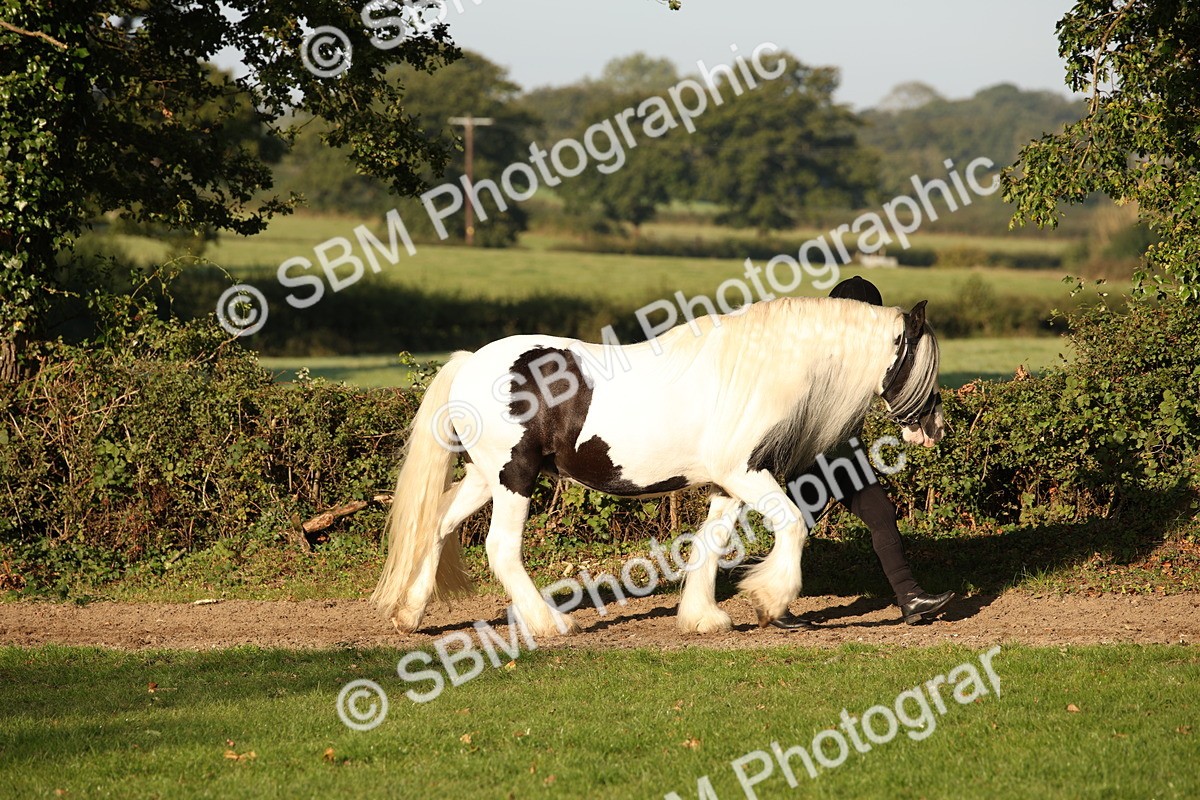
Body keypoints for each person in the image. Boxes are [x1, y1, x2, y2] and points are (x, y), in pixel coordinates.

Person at [771, 276, 954, 628]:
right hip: (817, 459)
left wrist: (923, 421)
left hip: (841, 459)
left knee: (872, 516)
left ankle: (910, 597)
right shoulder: (820, 355)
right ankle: (773, 604)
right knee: (798, 527)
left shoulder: (865, 356)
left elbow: (901, 387)